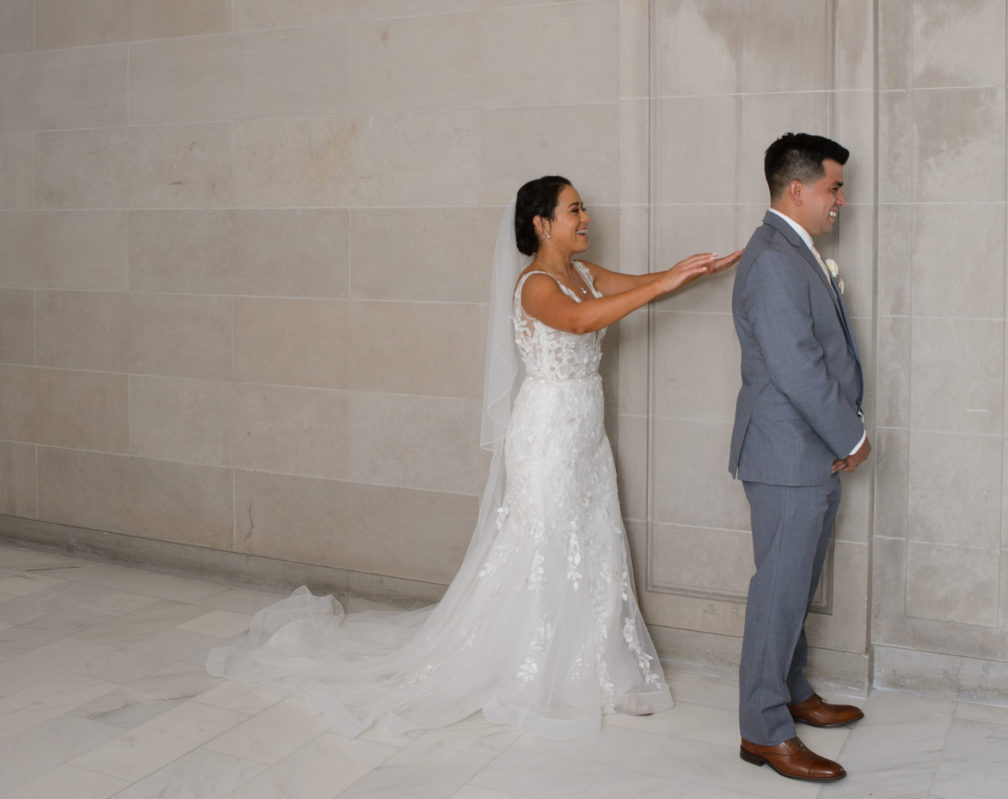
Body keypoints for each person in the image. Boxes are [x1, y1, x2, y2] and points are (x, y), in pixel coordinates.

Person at [207, 175, 740, 741]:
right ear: (542, 223)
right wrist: (663, 286)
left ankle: (598, 669)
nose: (586, 219)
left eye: (583, 209)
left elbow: (637, 285)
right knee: (545, 540)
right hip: (547, 432)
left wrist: (692, 270)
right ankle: (533, 670)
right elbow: (586, 320)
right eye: (574, 210)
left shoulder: (583, 274)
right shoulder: (534, 285)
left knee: (594, 536)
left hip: (586, 428)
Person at [728, 133, 869, 782]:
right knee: (778, 589)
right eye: (835, 187)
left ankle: (790, 688)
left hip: (805, 447)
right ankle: (763, 729)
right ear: (798, 189)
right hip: (787, 451)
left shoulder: (793, 250)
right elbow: (797, 367)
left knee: (796, 582)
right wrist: (852, 434)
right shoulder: (775, 260)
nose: (842, 199)